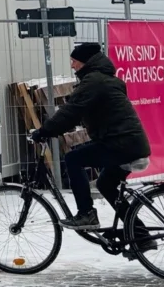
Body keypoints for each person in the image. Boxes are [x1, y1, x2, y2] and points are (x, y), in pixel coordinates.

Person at [28, 41, 152, 228]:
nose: (72, 65)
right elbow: (94, 111)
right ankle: (141, 235)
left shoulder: (94, 81)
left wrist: (44, 131)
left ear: (86, 61)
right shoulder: (106, 79)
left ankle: (86, 214)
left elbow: (71, 111)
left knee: (73, 159)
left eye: (74, 61)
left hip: (121, 144)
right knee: (105, 185)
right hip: (130, 143)